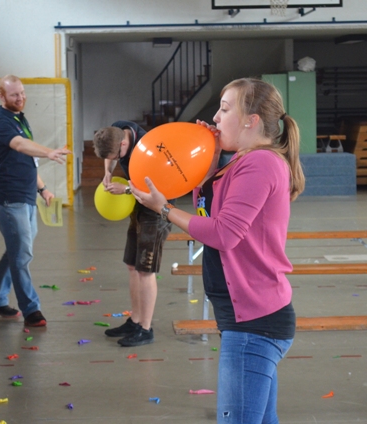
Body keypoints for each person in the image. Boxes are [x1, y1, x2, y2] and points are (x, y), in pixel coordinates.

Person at [130, 78, 305, 423]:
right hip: (249, 320)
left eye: (225, 109)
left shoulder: (260, 163)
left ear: (251, 120)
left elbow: (223, 234)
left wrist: (164, 208)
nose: (215, 118)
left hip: (254, 324)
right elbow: (207, 215)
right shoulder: (241, 161)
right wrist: (208, 163)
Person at [0, 74, 71, 327]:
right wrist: (49, 152)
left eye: (22, 93)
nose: (20, 98)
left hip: (26, 197)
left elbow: (28, 161)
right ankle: (31, 309)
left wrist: (43, 189)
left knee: (17, 250)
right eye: (14, 94)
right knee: (22, 253)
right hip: (9, 200)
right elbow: (20, 145)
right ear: (2, 96)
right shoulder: (0, 121)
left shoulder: (20, 119)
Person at [92, 121, 173, 347]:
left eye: (116, 157)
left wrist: (126, 189)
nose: (115, 159)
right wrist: (107, 172)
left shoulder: (149, 148)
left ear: (124, 144)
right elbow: (110, 156)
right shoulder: (117, 130)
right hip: (138, 205)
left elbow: (160, 188)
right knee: (131, 265)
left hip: (157, 208)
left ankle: (145, 329)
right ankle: (135, 321)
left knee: (145, 270)